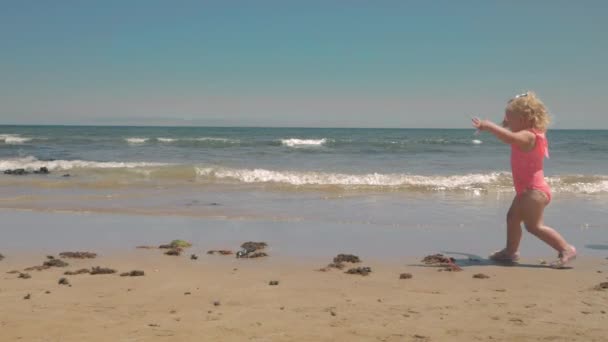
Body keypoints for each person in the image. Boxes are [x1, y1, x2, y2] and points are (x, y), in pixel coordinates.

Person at [472, 91, 576, 268]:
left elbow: (510, 138)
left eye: (510, 119)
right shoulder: (529, 130)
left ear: (524, 118)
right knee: (512, 218)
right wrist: (504, 121)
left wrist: (490, 126)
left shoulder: (529, 136)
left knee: (534, 227)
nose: (507, 123)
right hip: (527, 191)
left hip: (534, 191)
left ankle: (566, 248)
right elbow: (510, 131)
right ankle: (510, 252)